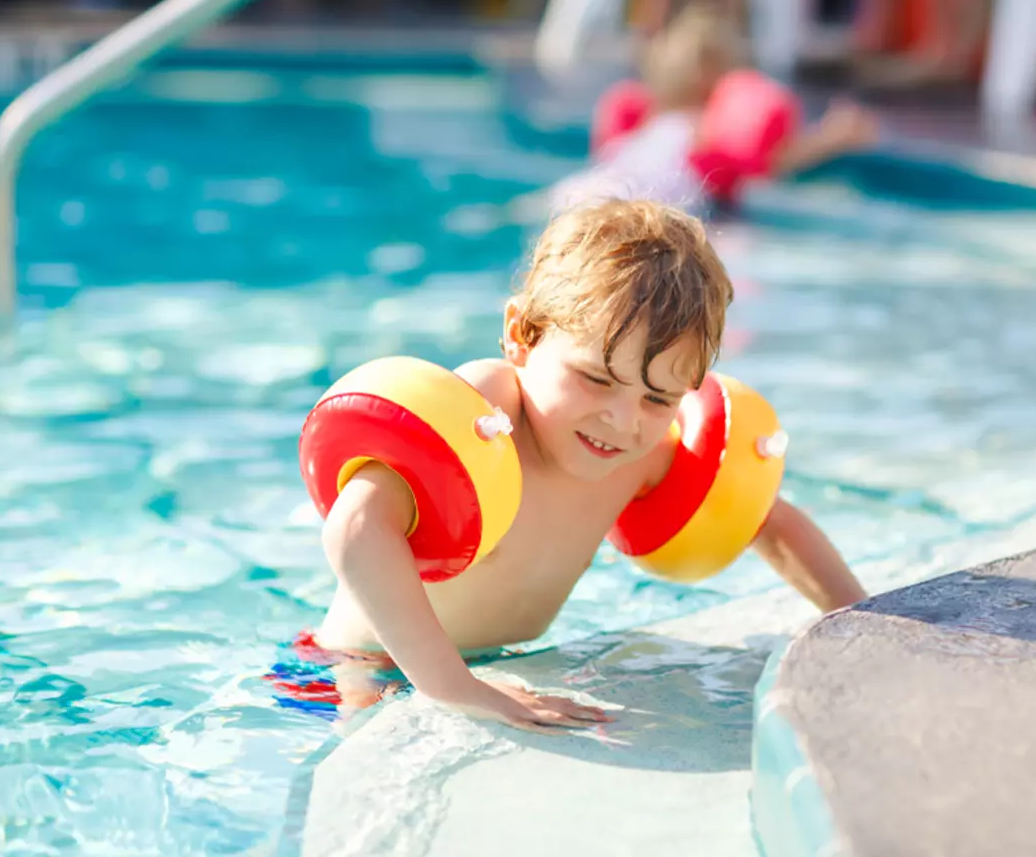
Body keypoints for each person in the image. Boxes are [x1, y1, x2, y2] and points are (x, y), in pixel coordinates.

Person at [313, 199, 868, 733]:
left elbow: (765, 520)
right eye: (596, 380)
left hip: (502, 666)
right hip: (356, 668)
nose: (623, 421)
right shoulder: (480, 420)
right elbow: (357, 530)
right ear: (521, 336)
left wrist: (864, 623)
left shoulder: (644, 456)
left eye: (658, 399)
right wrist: (451, 685)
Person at [550, 4, 880, 215]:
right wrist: (834, 138)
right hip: (638, 208)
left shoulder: (648, 122)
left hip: (578, 191)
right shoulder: (709, 130)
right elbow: (768, 164)